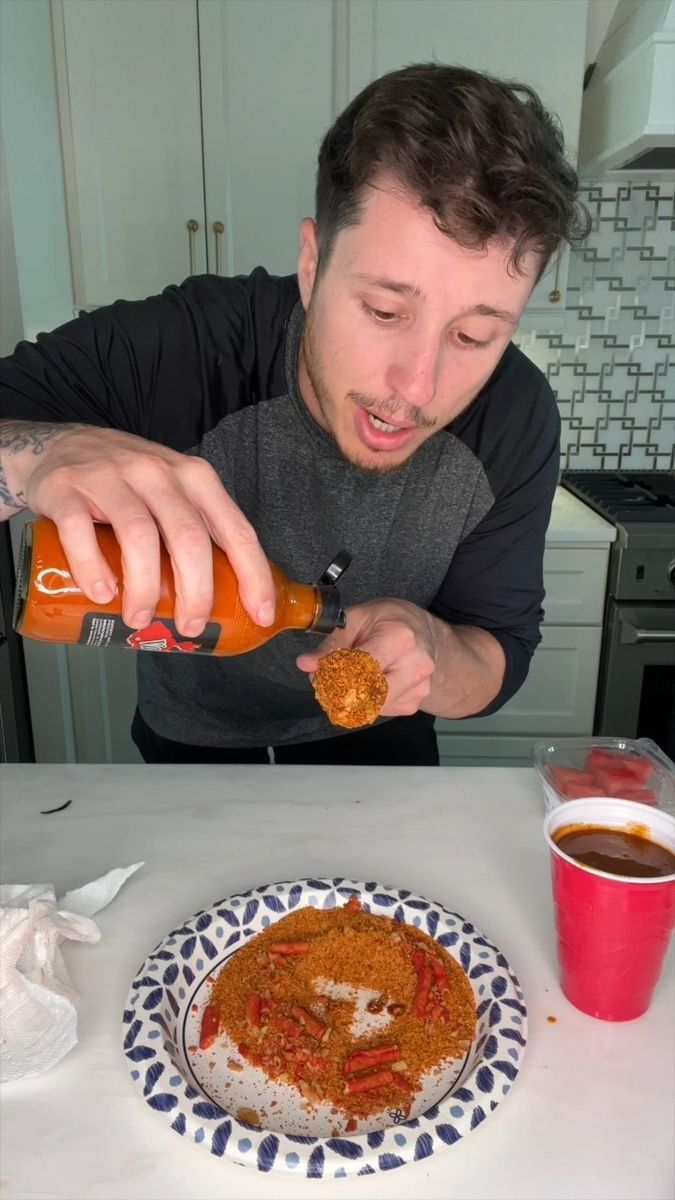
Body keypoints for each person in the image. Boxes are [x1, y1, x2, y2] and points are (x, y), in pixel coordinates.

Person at [0, 63, 588, 767]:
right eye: (382, 310)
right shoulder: (187, 345)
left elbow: (500, 650)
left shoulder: (514, 415)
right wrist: (37, 455)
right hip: (189, 743)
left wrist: (433, 647)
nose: (417, 385)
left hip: (379, 746)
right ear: (311, 264)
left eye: (472, 335)